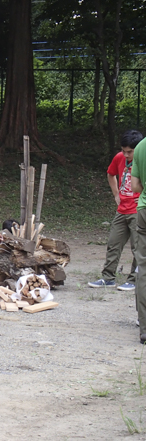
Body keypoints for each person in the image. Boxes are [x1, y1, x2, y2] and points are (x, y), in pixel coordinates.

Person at [89, 130, 144, 292]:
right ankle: (108, 277)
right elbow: (110, 174)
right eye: (123, 150)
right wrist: (116, 194)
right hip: (122, 209)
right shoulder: (119, 158)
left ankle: (134, 279)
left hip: (138, 210)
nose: (126, 155)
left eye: (130, 152)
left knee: (138, 247)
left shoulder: (143, 160)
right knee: (114, 243)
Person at [130, 133, 146, 344]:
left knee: (143, 269)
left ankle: (144, 328)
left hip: (143, 211)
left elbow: (135, 187)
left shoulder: (141, 146)